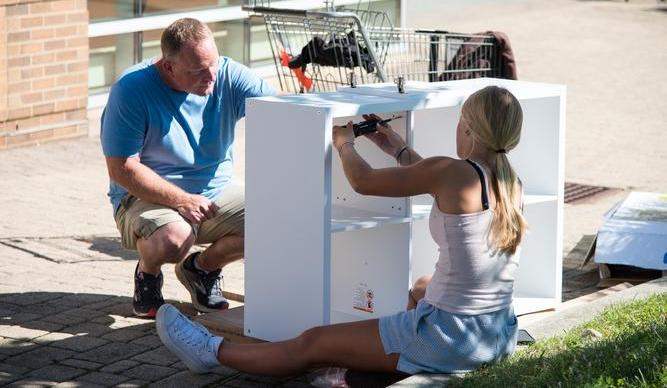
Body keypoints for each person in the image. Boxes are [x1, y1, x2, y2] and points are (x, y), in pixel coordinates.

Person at [155, 85, 526, 376]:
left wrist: (344, 144)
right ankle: (394, 357)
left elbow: (363, 181)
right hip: (495, 333)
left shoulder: (453, 171)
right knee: (422, 286)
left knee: (312, 343)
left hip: (450, 340)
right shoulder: (510, 182)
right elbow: (430, 179)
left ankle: (210, 352)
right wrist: (395, 147)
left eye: (460, 122)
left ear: (470, 130)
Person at [100, 18, 276, 318]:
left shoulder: (227, 75)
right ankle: (148, 275)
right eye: (198, 71)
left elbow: (282, 111)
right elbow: (122, 169)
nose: (211, 77)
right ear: (169, 67)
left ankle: (200, 269)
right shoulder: (131, 90)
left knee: (280, 221)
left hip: (214, 192)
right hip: (144, 197)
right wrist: (182, 200)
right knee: (174, 239)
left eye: (214, 65)